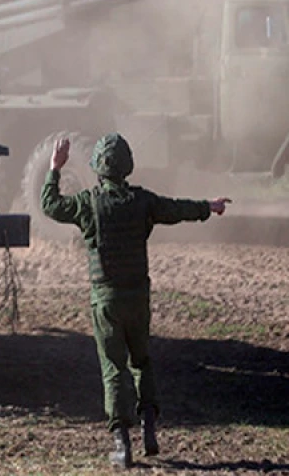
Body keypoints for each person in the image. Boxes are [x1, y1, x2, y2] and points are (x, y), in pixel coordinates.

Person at [41, 134, 230, 468]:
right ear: (128, 166)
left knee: (113, 367)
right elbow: (176, 209)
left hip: (107, 300)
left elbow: (50, 205)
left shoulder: (88, 203)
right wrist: (208, 207)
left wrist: (55, 169)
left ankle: (121, 441)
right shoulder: (143, 202)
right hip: (138, 298)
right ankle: (149, 427)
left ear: (98, 168)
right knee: (141, 361)